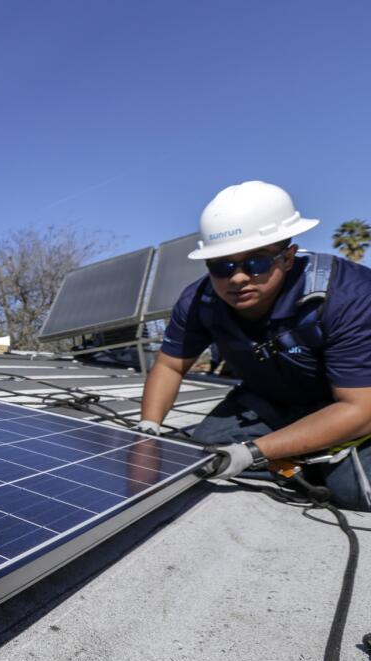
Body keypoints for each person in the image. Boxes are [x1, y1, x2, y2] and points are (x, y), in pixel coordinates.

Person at [135, 181, 371, 510]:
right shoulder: (200, 300)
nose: (237, 278)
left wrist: (253, 452)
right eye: (222, 265)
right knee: (204, 452)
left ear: (288, 257)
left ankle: (308, 459)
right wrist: (147, 428)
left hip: (350, 404)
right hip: (274, 399)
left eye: (257, 262)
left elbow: (358, 408)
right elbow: (170, 365)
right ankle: (300, 455)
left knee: (353, 491)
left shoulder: (348, 296)